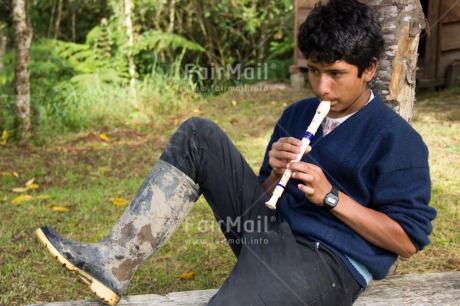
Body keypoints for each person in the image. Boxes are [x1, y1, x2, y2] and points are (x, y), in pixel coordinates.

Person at [36, 0, 436, 305]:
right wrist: (276, 176)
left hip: (330, 264)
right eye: (314, 70)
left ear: (368, 69)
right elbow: (264, 200)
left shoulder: (397, 139)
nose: (322, 88)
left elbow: (406, 240)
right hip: (271, 234)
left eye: (335, 74)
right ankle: (114, 260)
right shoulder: (297, 115)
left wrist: (331, 197)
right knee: (199, 134)